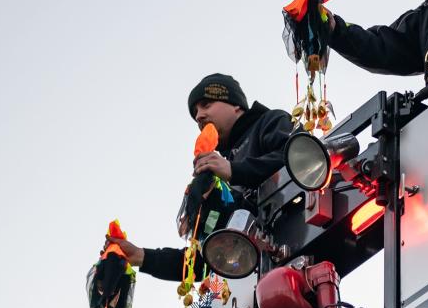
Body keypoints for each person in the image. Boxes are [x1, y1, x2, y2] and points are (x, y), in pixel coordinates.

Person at [110, 73, 292, 281]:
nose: (199, 116)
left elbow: (296, 157)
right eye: (195, 112)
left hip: (298, 252)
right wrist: (143, 257)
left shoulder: (270, 121)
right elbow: (210, 256)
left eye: (206, 105)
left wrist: (234, 170)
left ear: (236, 105)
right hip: (258, 290)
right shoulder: (222, 173)